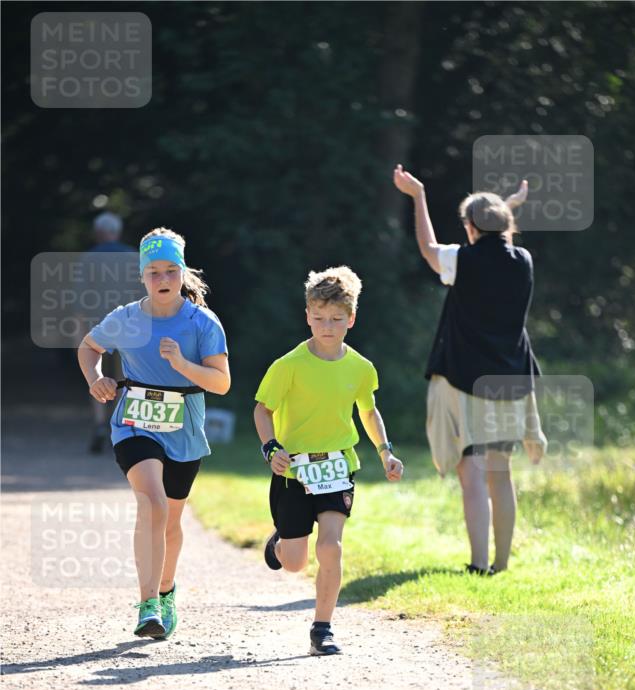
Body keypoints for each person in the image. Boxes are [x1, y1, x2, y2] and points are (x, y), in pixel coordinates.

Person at [77, 227, 231, 638]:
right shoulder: (126, 318)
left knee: (171, 521)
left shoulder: (202, 322)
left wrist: (183, 365)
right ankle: (148, 606)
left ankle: (165, 590)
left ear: (182, 273)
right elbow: (89, 346)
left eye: (170, 271)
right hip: (134, 423)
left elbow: (221, 383)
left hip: (184, 431)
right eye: (153, 273)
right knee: (153, 503)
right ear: (142, 276)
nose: (162, 280)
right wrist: (96, 378)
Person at [393, 166, 547, 575]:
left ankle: (478, 564)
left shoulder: (463, 259)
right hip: (512, 380)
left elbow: (427, 246)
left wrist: (419, 196)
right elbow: (503, 243)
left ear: (469, 227)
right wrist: (507, 208)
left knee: (472, 472)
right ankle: (500, 564)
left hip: (468, 382)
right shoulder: (523, 260)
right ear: (505, 226)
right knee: (501, 472)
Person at [254, 266, 403, 655]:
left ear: (351, 319)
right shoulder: (288, 365)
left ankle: (322, 628)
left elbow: (369, 412)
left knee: (331, 547)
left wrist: (385, 452)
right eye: (319, 318)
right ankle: (279, 546)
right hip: (294, 470)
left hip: (338, 467)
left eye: (336, 319)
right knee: (295, 563)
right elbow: (262, 410)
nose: (327, 326)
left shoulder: (361, 368)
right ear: (307, 315)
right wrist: (271, 448)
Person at [77, 212, 140, 454]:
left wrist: (81, 331)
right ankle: (121, 427)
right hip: (131, 327)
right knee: (126, 379)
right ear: (118, 231)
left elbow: (80, 298)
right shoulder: (134, 256)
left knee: (97, 377)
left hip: (98, 328)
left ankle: (99, 425)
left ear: (98, 232)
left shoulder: (89, 259)